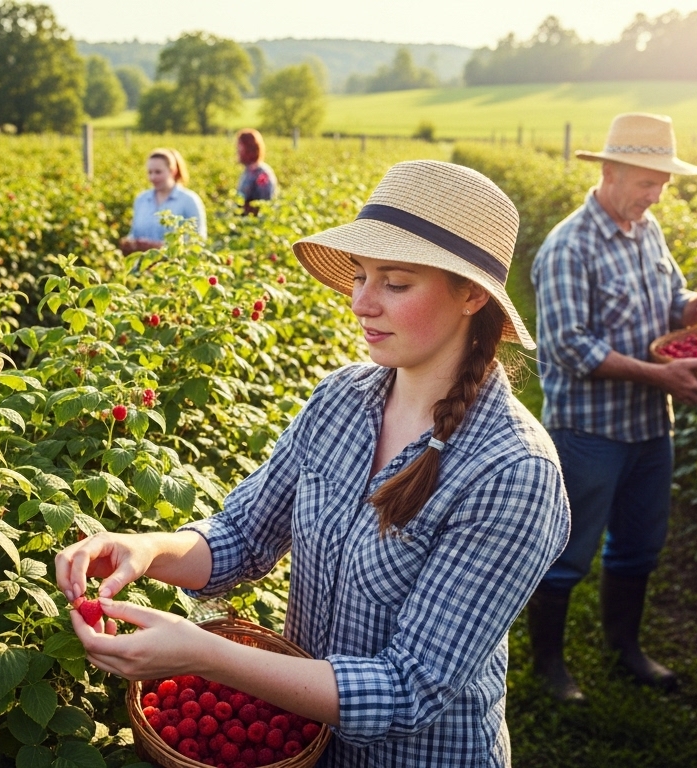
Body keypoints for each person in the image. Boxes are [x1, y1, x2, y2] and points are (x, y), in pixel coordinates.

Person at [57, 161, 571, 767]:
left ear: (472, 294)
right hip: (307, 744)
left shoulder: (512, 471)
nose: (360, 303)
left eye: (395, 284)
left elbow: (412, 687)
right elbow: (244, 535)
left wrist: (203, 653)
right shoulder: (342, 399)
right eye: (358, 277)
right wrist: (146, 549)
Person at [528, 112, 697, 703]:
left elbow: (669, 299)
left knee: (640, 544)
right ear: (611, 172)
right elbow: (568, 345)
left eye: (662, 183)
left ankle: (626, 647)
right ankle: (549, 666)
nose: (655, 194)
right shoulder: (569, 246)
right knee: (567, 550)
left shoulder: (648, 231)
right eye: (647, 182)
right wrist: (658, 374)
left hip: (649, 426)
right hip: (591, 429)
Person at [119, 148, 207, 256]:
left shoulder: (189, 200)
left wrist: (162, 248)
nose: (153, 177)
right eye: (150, 172)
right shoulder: (141, 200)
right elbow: (134, 233)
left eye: (158, 172)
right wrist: (130, 243)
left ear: (172, 171)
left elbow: (199, 241)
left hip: (174, 269)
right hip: (142, 267)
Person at [235, 128, 277, 215]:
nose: (237, 151)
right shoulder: (248, 171)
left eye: (240, 147)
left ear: (249, 149)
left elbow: (265, 205)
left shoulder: (262, 173)